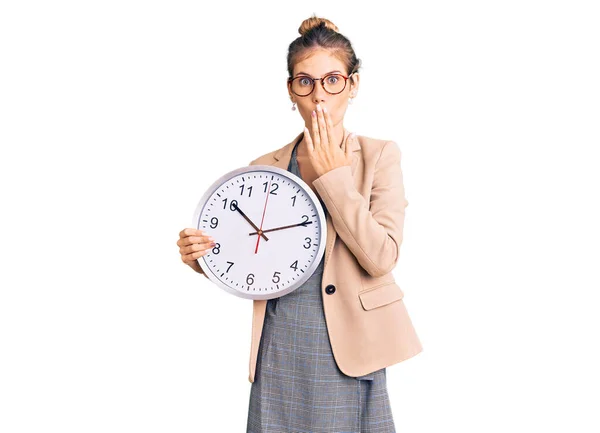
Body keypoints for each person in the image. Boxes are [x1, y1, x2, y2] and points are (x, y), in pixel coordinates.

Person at [177, 15, 423, 433]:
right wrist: (204, 257)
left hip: (346, 344)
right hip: (280, 340)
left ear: (353, 84)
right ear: (291, 91)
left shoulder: (380, 156)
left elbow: (382, 256)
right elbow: (255, 251)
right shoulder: (264, 167)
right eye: (305, 82)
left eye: (332, 80)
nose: (319, 96)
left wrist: (334, 177)